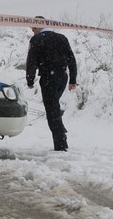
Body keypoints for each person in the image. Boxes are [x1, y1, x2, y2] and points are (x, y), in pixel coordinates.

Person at [26, 16, 78, 151]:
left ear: (38, 26)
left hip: (49, 78)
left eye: (33, 27)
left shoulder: (36, 40)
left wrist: (30, 80)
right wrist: (72, 79)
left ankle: (61, 144)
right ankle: (61, 131)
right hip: (62, 77)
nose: (32, 30)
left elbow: (31, 62)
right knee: (54, 107)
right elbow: (71, 59)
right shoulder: (62, 38)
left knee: (52, 111)